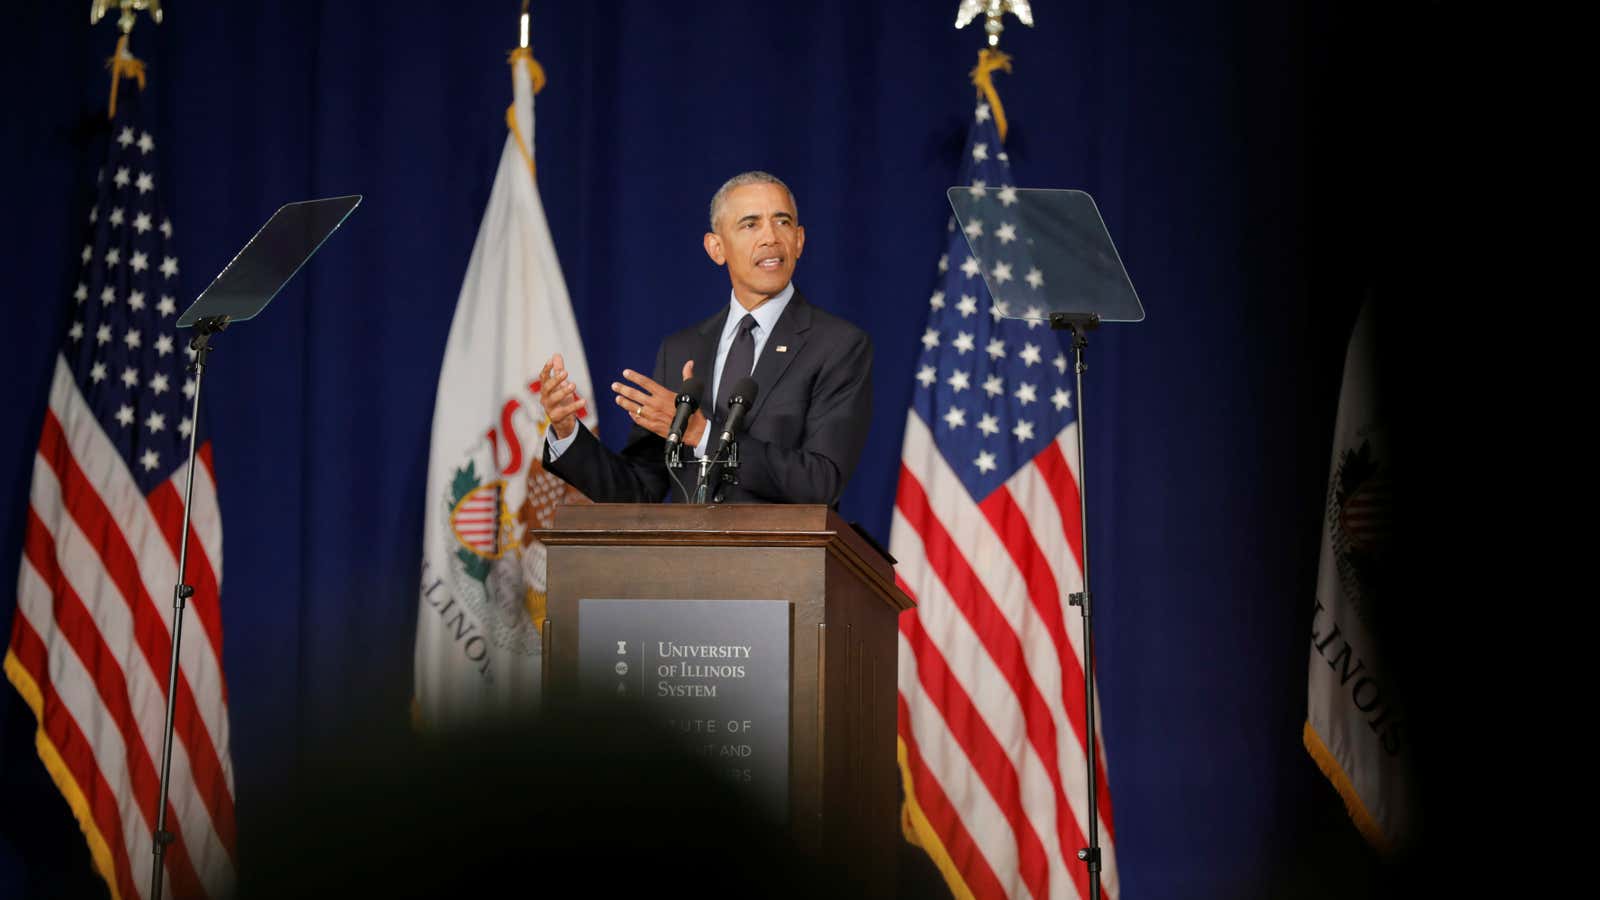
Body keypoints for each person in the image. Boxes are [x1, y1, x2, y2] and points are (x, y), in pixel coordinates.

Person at [538, 171, 872, 505]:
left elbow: (821, 481)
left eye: (782, 222)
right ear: (716, 247)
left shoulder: (838, 346)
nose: (771, 237)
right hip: (689, 556)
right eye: (750, 224)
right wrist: (568, 431)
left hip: (785, 556)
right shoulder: (681, 350)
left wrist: (702, 435)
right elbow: (638, 491)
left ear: (799, 240)